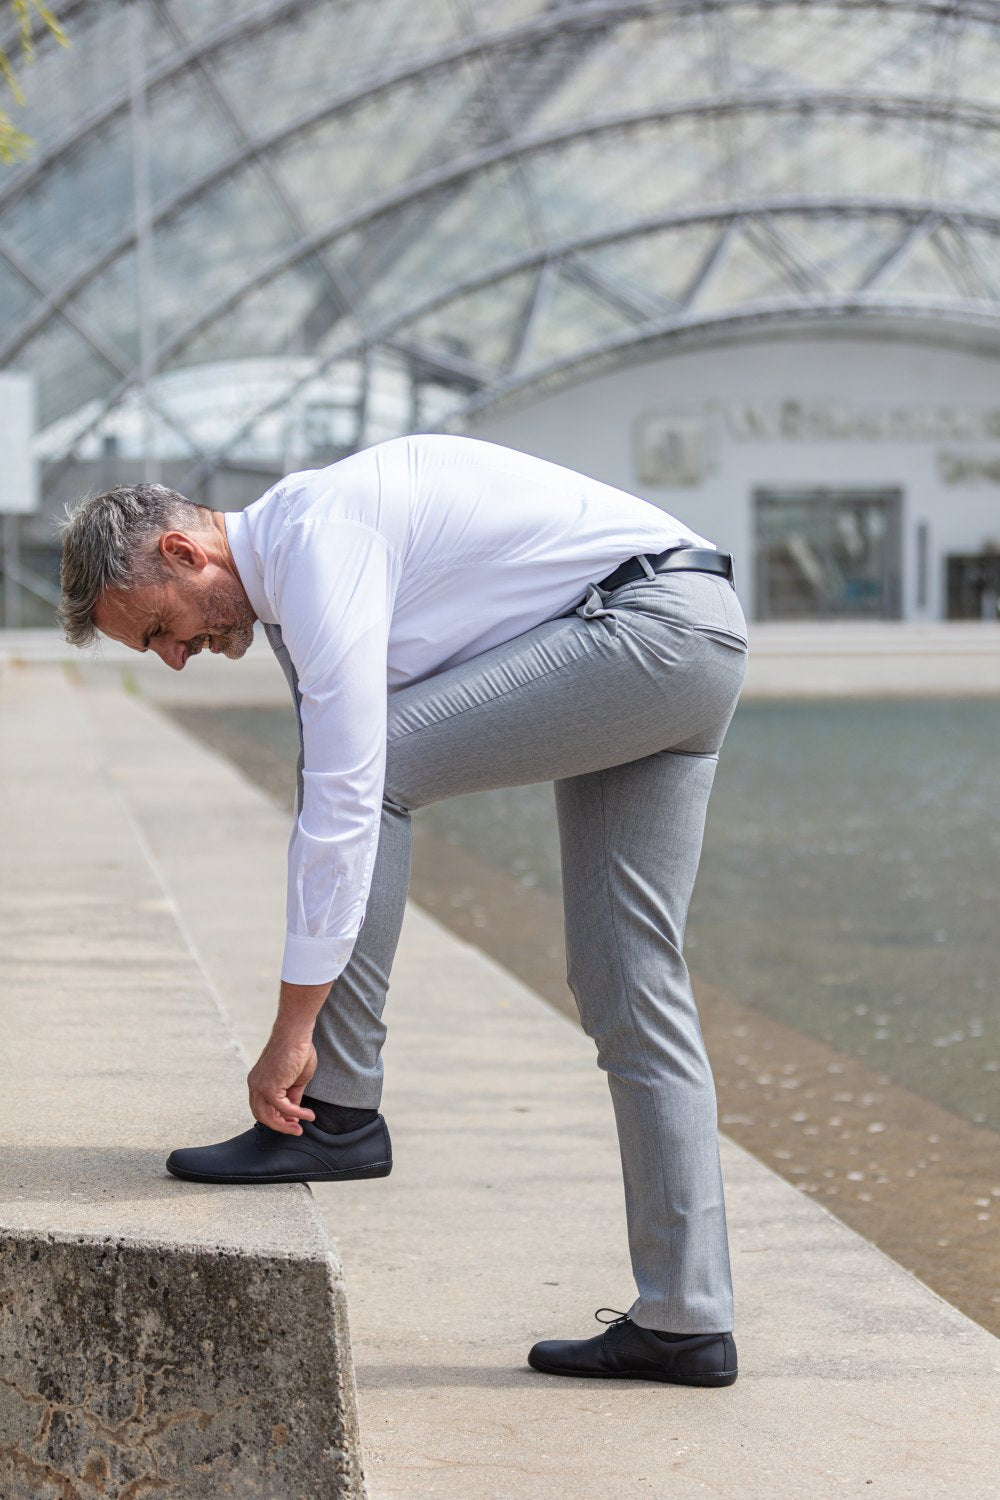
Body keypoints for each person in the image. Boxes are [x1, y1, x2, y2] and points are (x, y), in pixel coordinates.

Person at [59, 434, 747, 1387]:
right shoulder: (301, 574)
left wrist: (293, 1032)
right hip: (689, 630)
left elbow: (349, 792)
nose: (175, 658)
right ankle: (686, 1319)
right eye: (155, 650)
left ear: (183, 552)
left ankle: (337, 1110)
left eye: (158, 629)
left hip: (648, 626)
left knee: (373, 773)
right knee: (629, 980)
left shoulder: (315, 538)